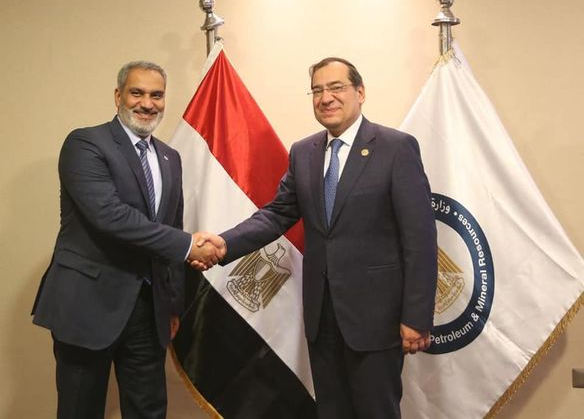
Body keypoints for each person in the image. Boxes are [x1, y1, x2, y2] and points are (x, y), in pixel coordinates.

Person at [195, 57, 438, 419]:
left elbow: (420, 239)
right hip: (321, 318)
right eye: (317, 90)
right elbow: (277, 213)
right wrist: (225, 243)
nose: (326, 98)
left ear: (360, 92)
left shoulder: (396, 148)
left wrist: (416, 316)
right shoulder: (303, 152)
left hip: (376, 319)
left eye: (336, 87)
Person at [32, 61, 224, 419]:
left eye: (157, 95)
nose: (147, 103)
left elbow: (170, 224)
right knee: (80, 410)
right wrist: (189, 245)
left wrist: (171, 304)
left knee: (148, 410)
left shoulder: (170, 157)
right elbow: (110, 216)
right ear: (118, 95)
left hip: (148, 311)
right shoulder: (85, 143)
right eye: (137, 93)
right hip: (87, 305)